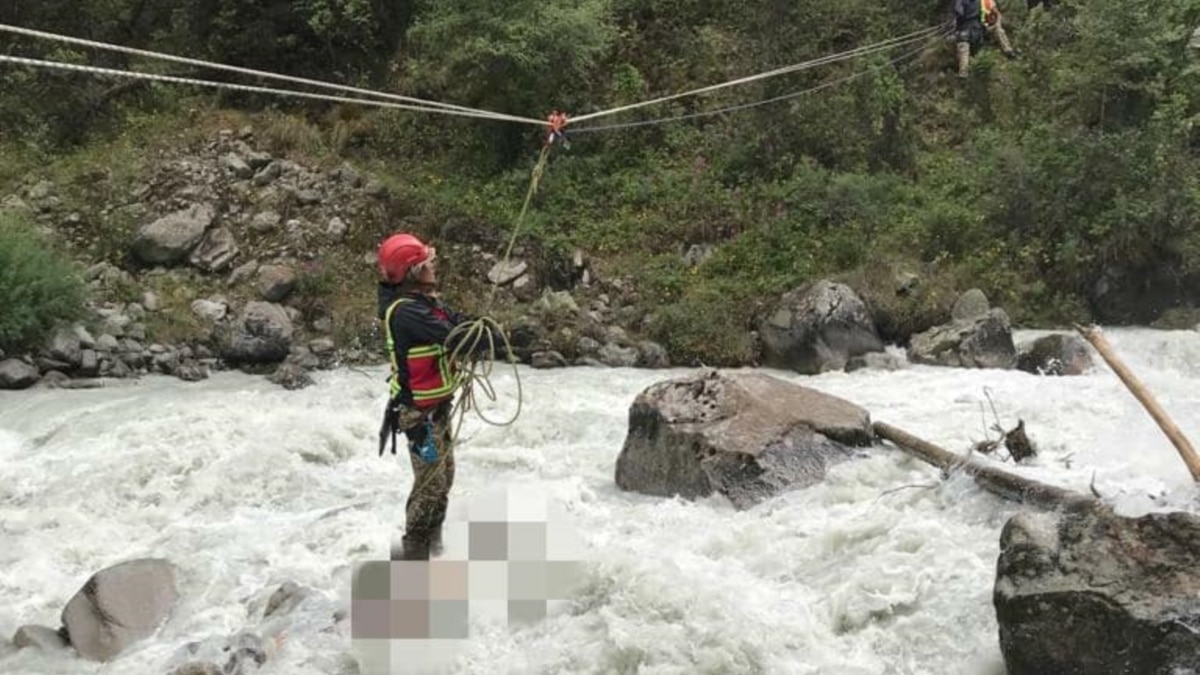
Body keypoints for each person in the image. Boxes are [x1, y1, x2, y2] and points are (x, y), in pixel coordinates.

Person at [375, 232, 481, 561]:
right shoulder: (406, 313)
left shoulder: (426, 304)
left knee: (443, 479)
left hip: (436, 409)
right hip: (417, 415)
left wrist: (480, 326)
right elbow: (454, 335)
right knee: (430, 485)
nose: (434, 267)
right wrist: (477, 334)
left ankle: (432, 553)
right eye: (427, 263)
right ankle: (411, 563)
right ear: (414, 272)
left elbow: (458, 322)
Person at [954, 0, 1020, 78]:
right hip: (978, 30)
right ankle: (965, 70)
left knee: (963, 46)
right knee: (967, 46)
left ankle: (1008, 50)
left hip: (980, 29)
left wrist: (997, 24)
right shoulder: (981, 2)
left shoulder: (986, 2)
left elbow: (997, 14)